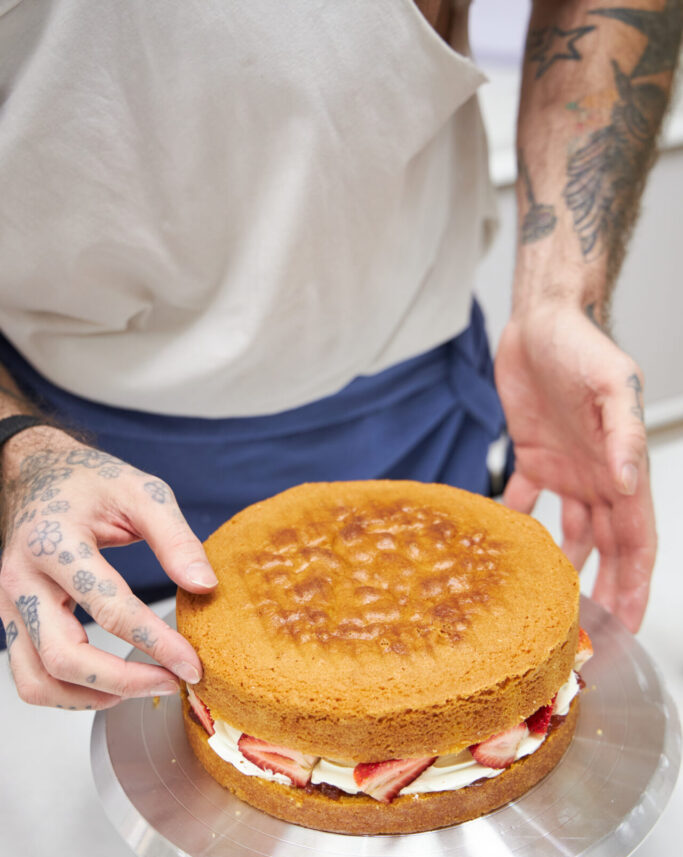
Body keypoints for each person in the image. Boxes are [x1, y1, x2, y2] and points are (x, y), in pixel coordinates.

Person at [0, 1, 676, 711]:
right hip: (65, 467)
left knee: (447, 707)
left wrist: (558, 294)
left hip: (419, 417)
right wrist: (17, 452)